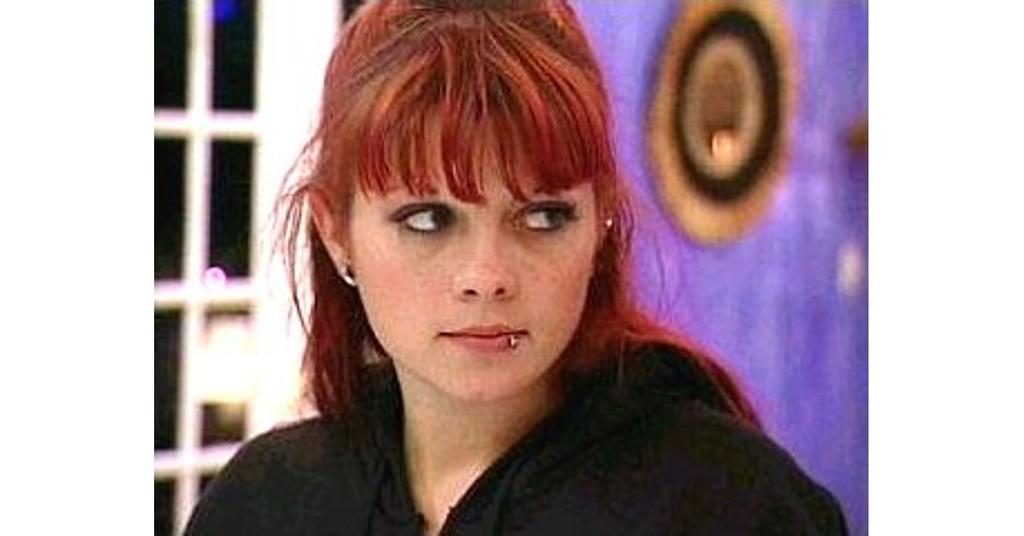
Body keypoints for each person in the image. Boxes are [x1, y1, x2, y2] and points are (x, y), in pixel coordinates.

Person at [185, 0, 849, 534]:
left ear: (601, 222)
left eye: (542, 217)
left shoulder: (730, 507)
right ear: (337, 234)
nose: (486, 275)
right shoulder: (266, 503)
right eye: (427, 219)